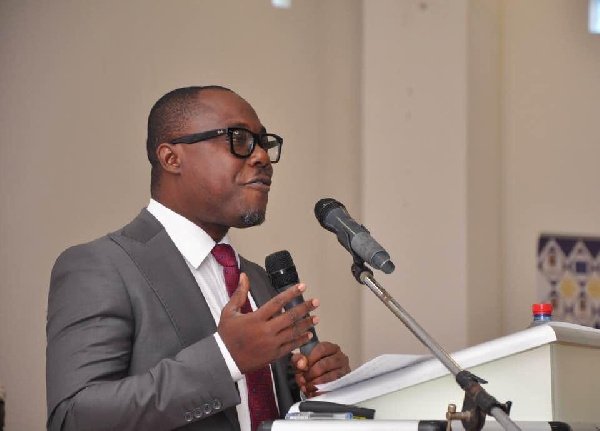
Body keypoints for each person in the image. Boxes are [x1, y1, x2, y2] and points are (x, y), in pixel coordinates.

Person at [46, 85, 350, 431]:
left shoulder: (255, 279)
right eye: (239, 139)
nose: (262, 157)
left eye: (263, 143)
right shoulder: (101, 267)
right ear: (171, 158)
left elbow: (263, 408)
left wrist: (315, 388)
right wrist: (226, 359)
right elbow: (73, 417)